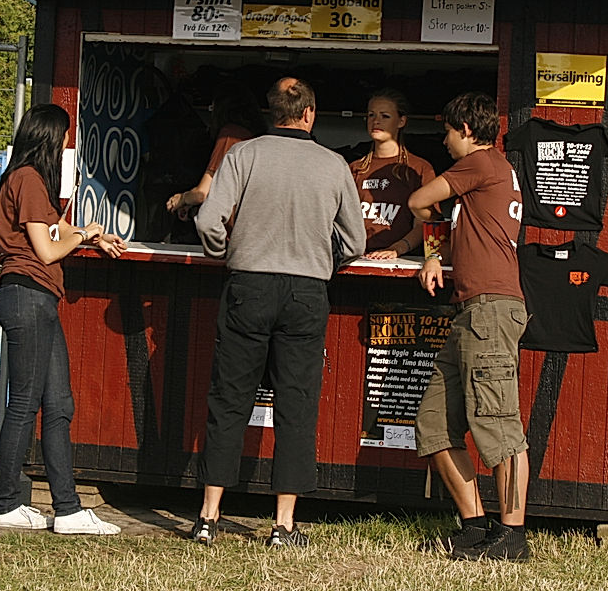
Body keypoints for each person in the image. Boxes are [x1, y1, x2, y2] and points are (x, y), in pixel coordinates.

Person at [190, 77, 366, 548]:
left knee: (229, 400)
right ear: (310, 115)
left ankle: (208, 516)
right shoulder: (333, 166)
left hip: (248, 284)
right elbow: (356, 241)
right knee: (296, 405)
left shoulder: (244, 155)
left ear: (272, 114)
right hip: (306, 291)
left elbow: (207, 218)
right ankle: (283, 524)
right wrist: (324, 261)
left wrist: (225, 251)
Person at [0, 103, 128, 535]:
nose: (68, 143)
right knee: (25, 404)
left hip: (37, 299)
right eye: (65, 136)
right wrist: (82, 235)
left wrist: (90, 234)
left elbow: (56, 232)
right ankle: (5, 503)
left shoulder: (30, 182)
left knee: (58, 404)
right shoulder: (28, 180)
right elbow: (48, 250)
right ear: (50, 137)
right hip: (27, 296)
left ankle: (67, 510)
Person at [407, 92, 530, 561]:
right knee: (435, 423)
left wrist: (430, 245)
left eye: (447, 131)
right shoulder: (494, 170)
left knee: (499, 427)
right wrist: (436, 254)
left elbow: (419, 200)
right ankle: (475, 526)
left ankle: (512, 535)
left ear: (465, 129)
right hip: (472, 311)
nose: (444, 140)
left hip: (490, 311)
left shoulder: (479, 163)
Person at [349, 88, 437, 259]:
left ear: (401, 121)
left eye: (385, 116)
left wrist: (397, 249)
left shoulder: (419, 168)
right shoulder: (354, 168)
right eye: (371, 115)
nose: (376, 121)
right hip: (358, 260)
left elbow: (425, 223)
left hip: (402, 262)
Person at [165, 81, 267, 218]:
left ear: (222, 109)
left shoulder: (230, 135)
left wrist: (182, 198)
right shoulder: (256, 137)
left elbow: (201, 193)